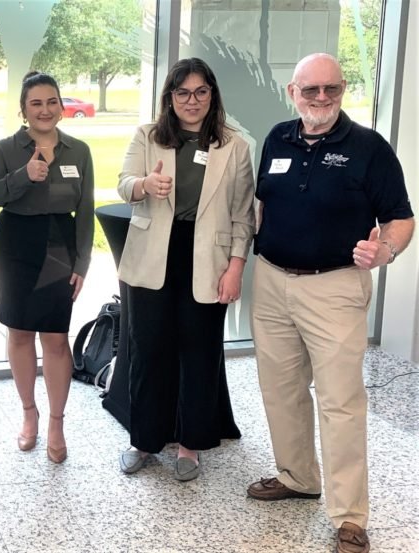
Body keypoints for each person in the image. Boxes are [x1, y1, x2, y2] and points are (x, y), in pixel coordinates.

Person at [250, 53, 413, 553]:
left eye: (332, 90)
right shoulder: (278, 138)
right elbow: (262, 203)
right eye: (310, 90)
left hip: (335, 287)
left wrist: (384, 249)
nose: (321, 99)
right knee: (281, 390)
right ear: (292, 93)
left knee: (341, 403)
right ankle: (298, 477)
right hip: (273, 283)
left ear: (343, 90)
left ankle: (349, 517)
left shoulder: (369, 148)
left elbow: (401, 219)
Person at [115, 58, 254, 481]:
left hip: (208, 259)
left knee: (200, 353)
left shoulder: (234, 145)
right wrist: (144, 186)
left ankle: (191, 445)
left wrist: (235, 268)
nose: (191, 101)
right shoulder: (148, 136)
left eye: (200, 92)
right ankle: (144, 440)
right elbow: (123, 182)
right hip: (153, 256)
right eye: (182, 92)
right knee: (148, 350)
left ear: (212, 95)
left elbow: (243, 215)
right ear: (169, 98)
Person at [0, 71, 94, 464]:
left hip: (60, 242)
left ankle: (57, 423)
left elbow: (86, 209)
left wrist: (82, 261)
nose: (45, 110)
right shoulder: (7, 148)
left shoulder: (78, 151)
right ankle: (29, 414)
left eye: (51, 102)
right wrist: (23, 176)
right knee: (20, 331)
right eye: (36, 103)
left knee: (57, 338)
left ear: (61, 106)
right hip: (15, 243)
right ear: (23, 110)